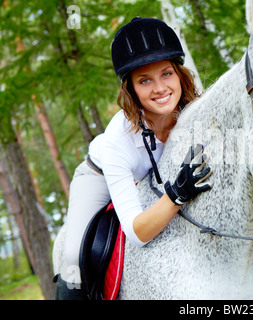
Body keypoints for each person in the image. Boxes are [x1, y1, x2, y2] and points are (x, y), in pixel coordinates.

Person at [53, 17, 213, 299]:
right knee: (72, 264)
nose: (160, 88)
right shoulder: (118, 140)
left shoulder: (194, 111)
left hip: (154, 177)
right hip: (99, 177)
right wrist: (176, 196)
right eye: (144, 80)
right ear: (132, 90)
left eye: (166, 74)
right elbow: (136, 233)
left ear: (179, 75)